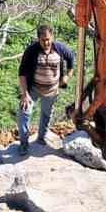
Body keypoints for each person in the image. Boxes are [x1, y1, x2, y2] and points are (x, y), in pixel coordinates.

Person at [16, 23, 75, 152]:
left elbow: (71, 60)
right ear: (38, 39)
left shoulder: (60, 49)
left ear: (52, 37)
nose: (46, 42)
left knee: (46, 115)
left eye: (48, 39)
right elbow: (22, 73)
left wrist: (66, 77)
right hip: (33, 89)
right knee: (24, 113)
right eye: (43, 40)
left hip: (52, 90)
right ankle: (24, 144)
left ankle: (41, 138)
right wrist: (25, 94)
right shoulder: (31, 51)